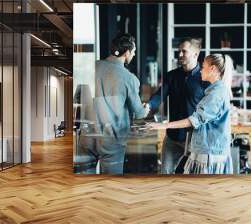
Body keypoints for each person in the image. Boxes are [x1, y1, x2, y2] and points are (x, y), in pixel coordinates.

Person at [149, 54, 233, 174]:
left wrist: (164, 126)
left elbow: (194, 120)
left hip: (210, 153)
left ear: (213, 69)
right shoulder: (215, 90)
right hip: (206, 150)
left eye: (203, 67)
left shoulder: (216, 94)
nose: (200, 71)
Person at [78, 33, 148, 174]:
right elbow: (139, 113)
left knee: (83, 182)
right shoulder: (129, 78)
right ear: (127, 52)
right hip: (112, 139)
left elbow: (78, 99)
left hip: (87, 136)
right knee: (111, 183)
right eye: (133, 52)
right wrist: (145, 109)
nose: (134, 55)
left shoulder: (89, 68)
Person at [145, 37, 210, 174]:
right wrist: (149, 105)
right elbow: (160, 95)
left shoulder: (205, 78)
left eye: (184, 51)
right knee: (165, 174)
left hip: (195, 140)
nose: (179, 54)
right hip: (173, 137)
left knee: (193, 178)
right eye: (179, 51)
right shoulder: (171, 76)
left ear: (195, 54)